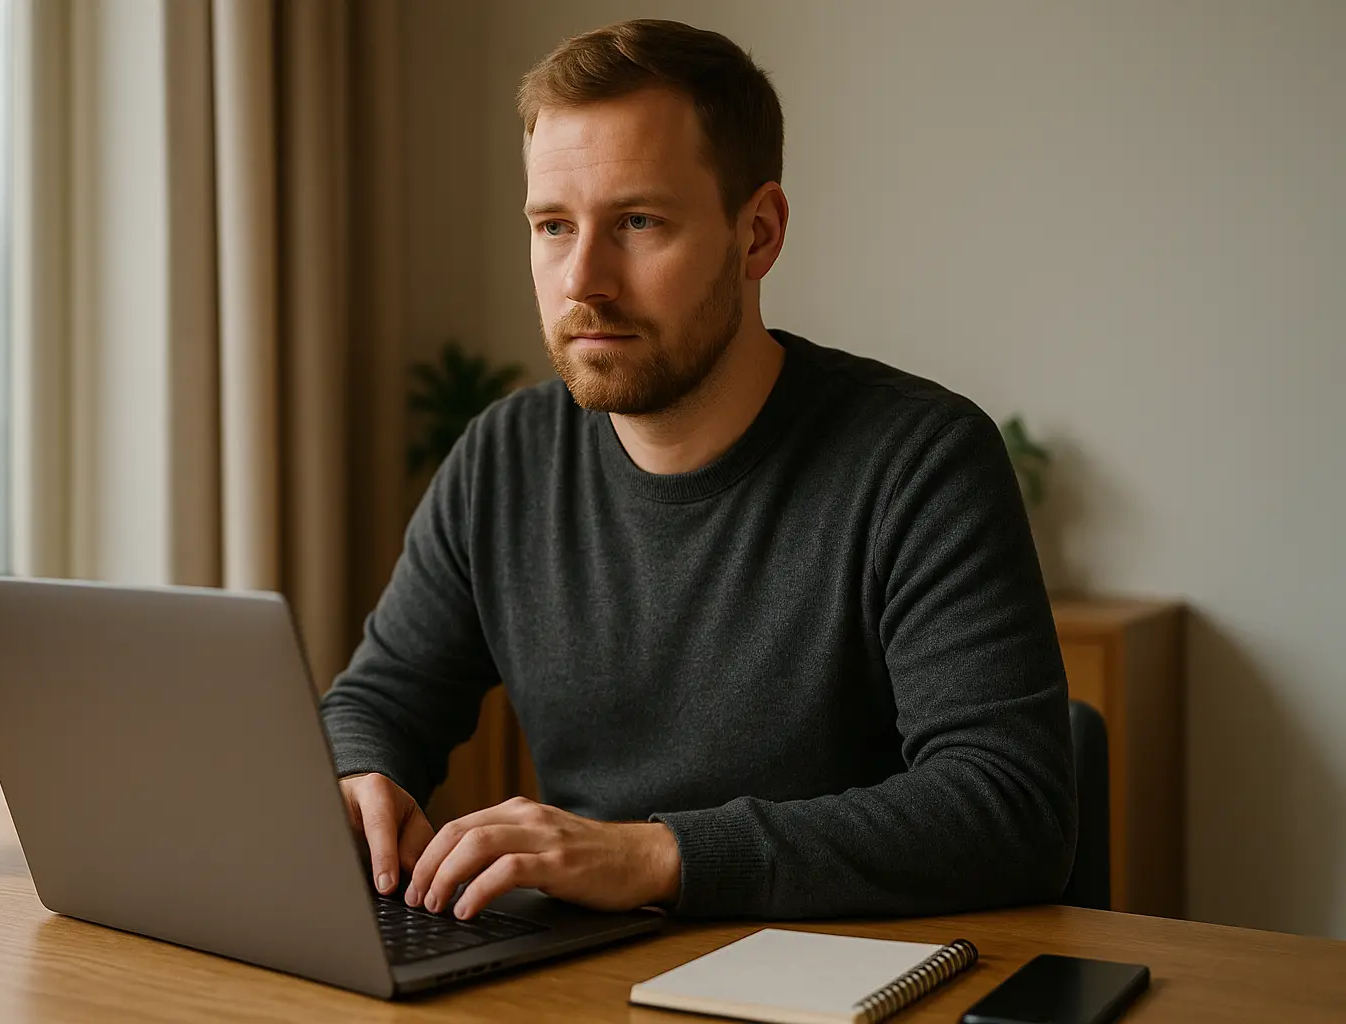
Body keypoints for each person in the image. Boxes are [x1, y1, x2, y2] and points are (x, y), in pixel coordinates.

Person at [320, 19, 1076, 922]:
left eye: (638, 222)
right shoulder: (502, 459)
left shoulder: (920, 462)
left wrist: (659, 853)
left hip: (848, 980)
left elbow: (1010, 810)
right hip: (582, 980)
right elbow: (380, 700)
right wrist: (359, 776)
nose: (583, 281)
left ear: (757, 234)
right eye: (554, 226)